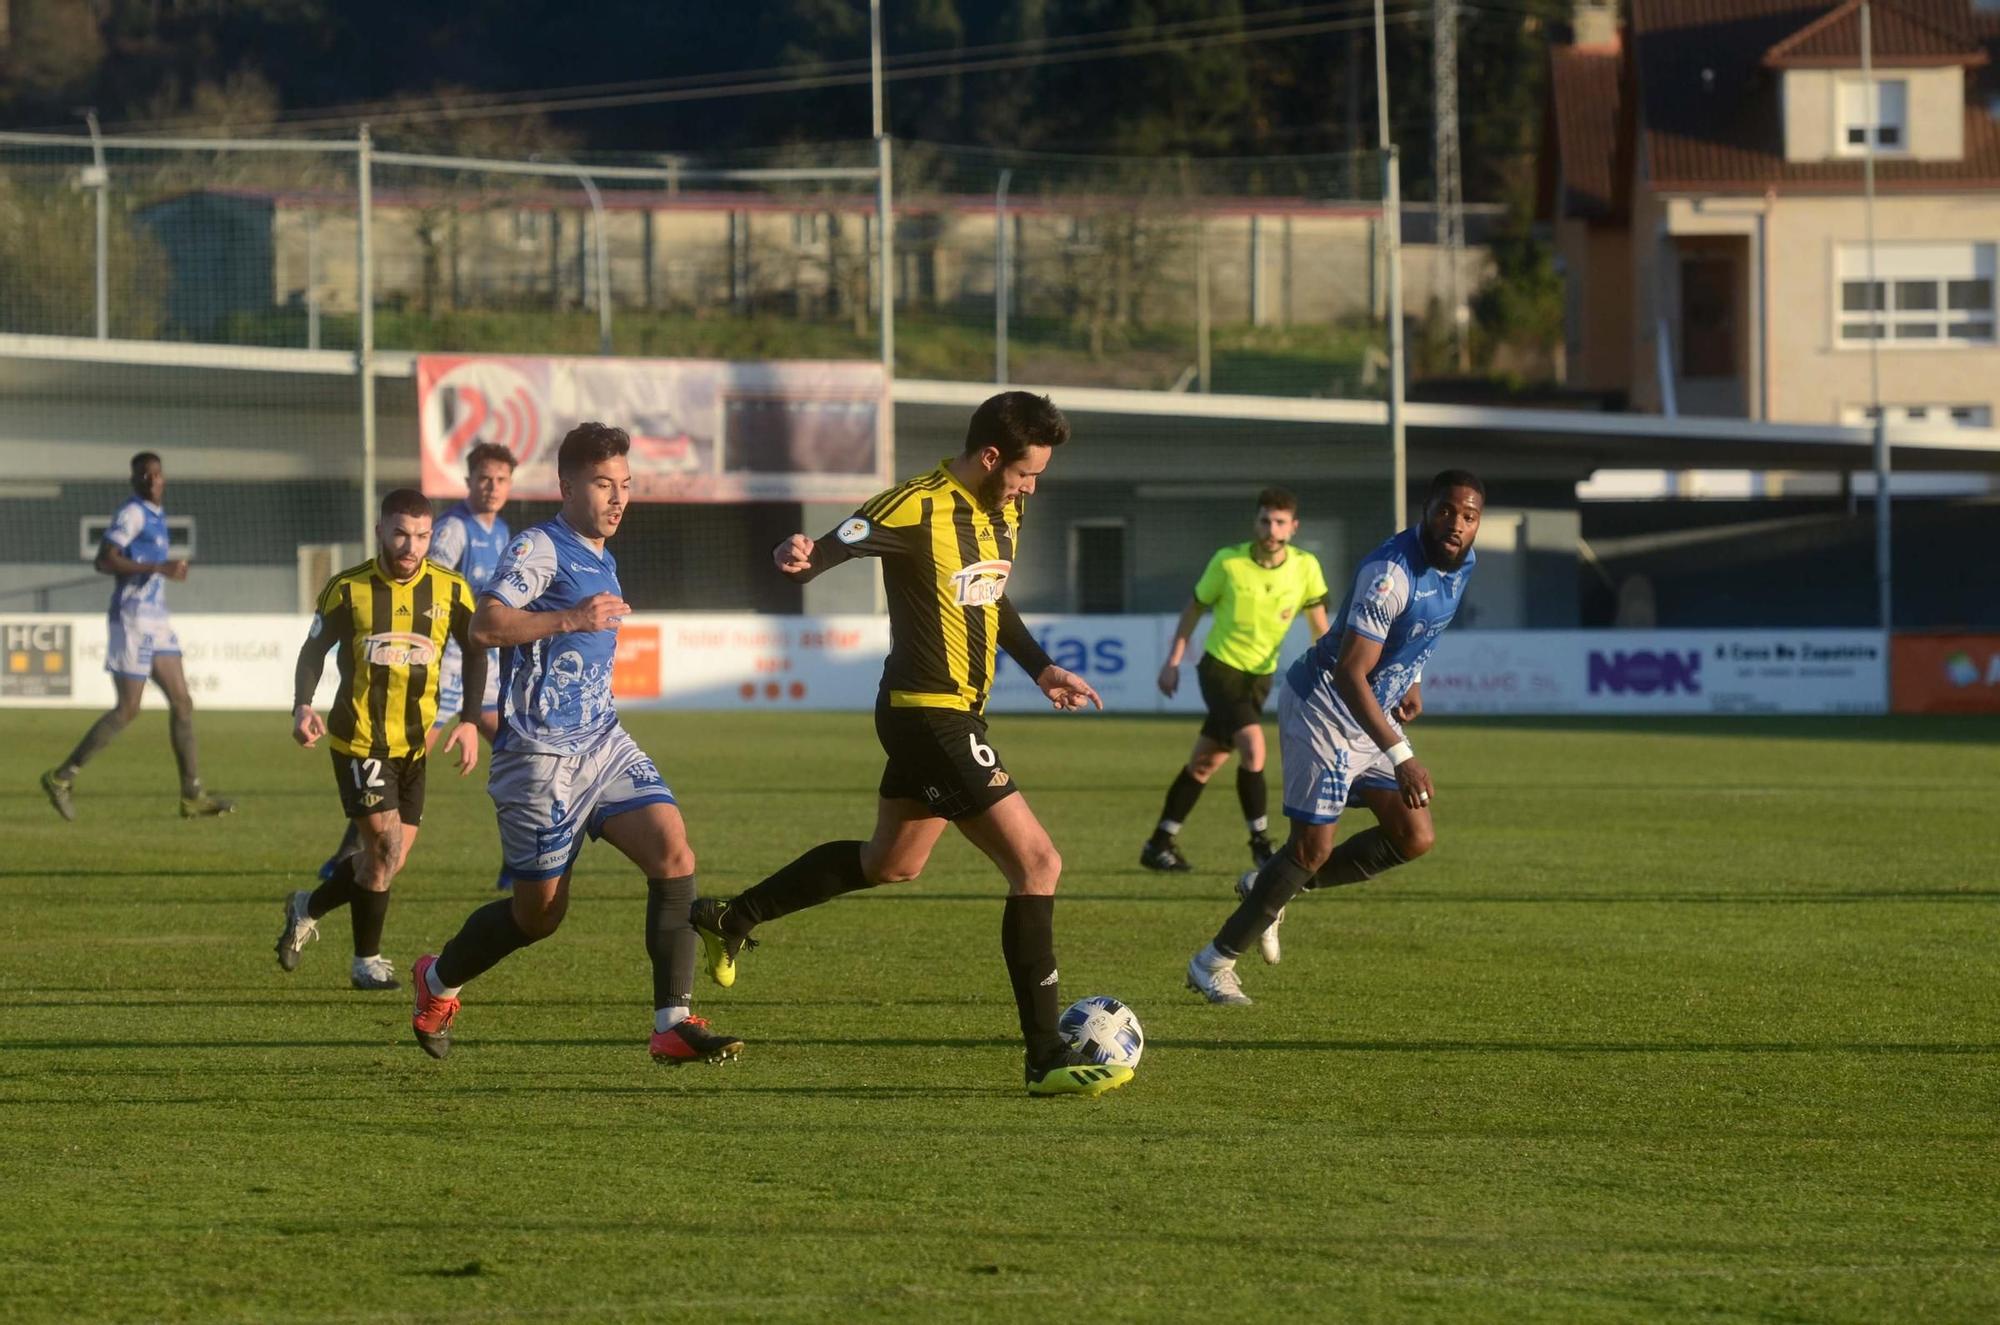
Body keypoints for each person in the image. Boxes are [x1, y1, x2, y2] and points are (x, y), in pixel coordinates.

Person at [686, 391, 1131, 1099]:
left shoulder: (1003, 508)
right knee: (1039, 862)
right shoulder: (913, 505)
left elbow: (991, 594)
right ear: (990, 456)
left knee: (890, 861)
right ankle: (1045, 1053)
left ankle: (731, 915)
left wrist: (1041, 665)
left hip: (949, 715)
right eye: (1024, 473)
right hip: (930, 714)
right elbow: (825, 550)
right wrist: (798, 553)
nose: (1030, 487)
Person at [408, 422, 743, 1067]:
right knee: (539, 918)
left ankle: (671, 1023)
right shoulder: (541, 547)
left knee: (674, 854)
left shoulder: (601, 554)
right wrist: (572, 617)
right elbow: (484, 625)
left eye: (625, 486)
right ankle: (437, 982)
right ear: (566, 485)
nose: (618, 499)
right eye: (602, 485)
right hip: (539, 760)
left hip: (602, 741)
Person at [1186, 470, 1484, 1002]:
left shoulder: (1462, 565)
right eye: (1446, 511)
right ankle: (1213, 962)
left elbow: (1426, 630)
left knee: (1414, 836)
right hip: (1324, 707)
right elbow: (1350, 673)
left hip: (1372, 711)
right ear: (1426, 509)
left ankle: (1270, 889)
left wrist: (1413, 679)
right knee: (1311, 847)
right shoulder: (1390, 574)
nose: (1456, 524)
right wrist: (1402, 756)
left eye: (1468, 516)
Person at [278, 489, 485, 990]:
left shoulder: (451, 590)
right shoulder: (347, 590)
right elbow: (313, 653)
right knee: (387, 850)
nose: (409, 545)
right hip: (359, 742)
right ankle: (365, 962)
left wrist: (470, 719)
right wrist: (303, 704)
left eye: (420, 536)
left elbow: (476, 651)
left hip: (415, 747)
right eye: (399, 533)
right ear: (380, 532)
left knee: (386, 861)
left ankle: (307, 907)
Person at [314, 441, 515, 890]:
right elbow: (423, 593)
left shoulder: (499, 531)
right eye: (485, 478)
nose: (493, 487)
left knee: (512, 753)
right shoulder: (453, 531)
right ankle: (350, 855)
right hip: (436, 669)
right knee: (392, 756)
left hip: (478, 668)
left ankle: (517, 858)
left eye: (501, 479)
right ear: (468, 481)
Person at [1141, 487, 1329, 874]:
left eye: (1279, 522)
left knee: (1204, 764)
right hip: (1220, 669)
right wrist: (1172, 661)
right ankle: (1261, 845)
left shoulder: (1306, 566)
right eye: (1264, 520)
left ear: (1293, 528)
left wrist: (1330, 671)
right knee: (1254, 748)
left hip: (1259, 678)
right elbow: (1193, 610)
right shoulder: (1228, 562)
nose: (1270, 529)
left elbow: (1319, 626)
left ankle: (1159, 843)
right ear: (1255, 522)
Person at [40, 452, 233, 821]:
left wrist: (163, 569)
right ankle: (62, 776)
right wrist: (159, 566)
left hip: (156, 619)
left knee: (182, 701)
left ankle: (192, 794)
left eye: (156, 474)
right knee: (128, 709)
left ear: (164, 479)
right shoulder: (132, 514)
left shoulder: (158, 517)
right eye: (143, 475)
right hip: (131, 619)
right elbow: (104, 560)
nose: (150, 480)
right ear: (134, 480)